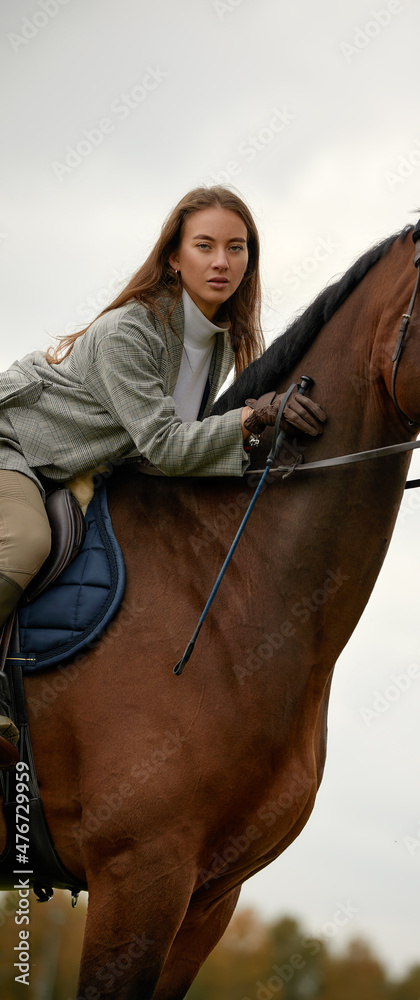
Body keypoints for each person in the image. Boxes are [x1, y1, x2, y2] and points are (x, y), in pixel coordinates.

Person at [0, 186, 326, 765]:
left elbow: (170, 454)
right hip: (20, 445)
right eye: (204, 246)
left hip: (81, 470)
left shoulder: (217, 347)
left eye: (237, 248)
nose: (222, 261)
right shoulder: (131, 330)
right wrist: (257, 416)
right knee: (26, 540)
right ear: (174, 257)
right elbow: (166, 446)